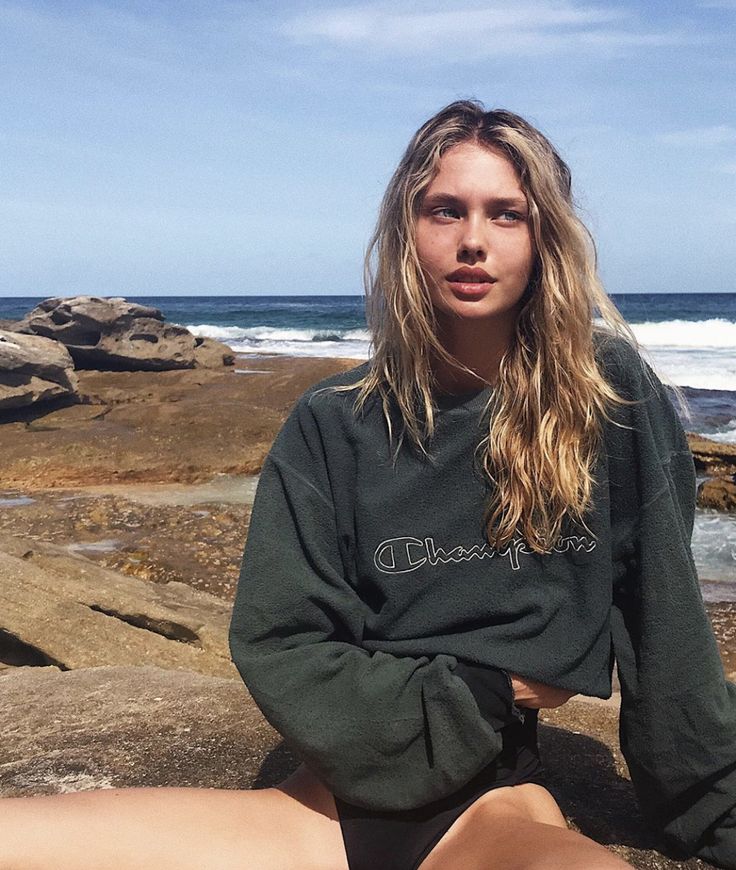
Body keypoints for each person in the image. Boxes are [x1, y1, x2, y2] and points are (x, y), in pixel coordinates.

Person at [1, 101, 734, 870]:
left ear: (544, 235)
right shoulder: (333, 421)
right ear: (406, 229)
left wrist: (711, 813)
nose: (473, 241)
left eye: (506, 214)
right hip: (320, 809)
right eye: (445, 211)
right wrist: (491, 689)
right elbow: (281, 641)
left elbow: (666, 622)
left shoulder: (606, 391)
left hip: (490, 807)